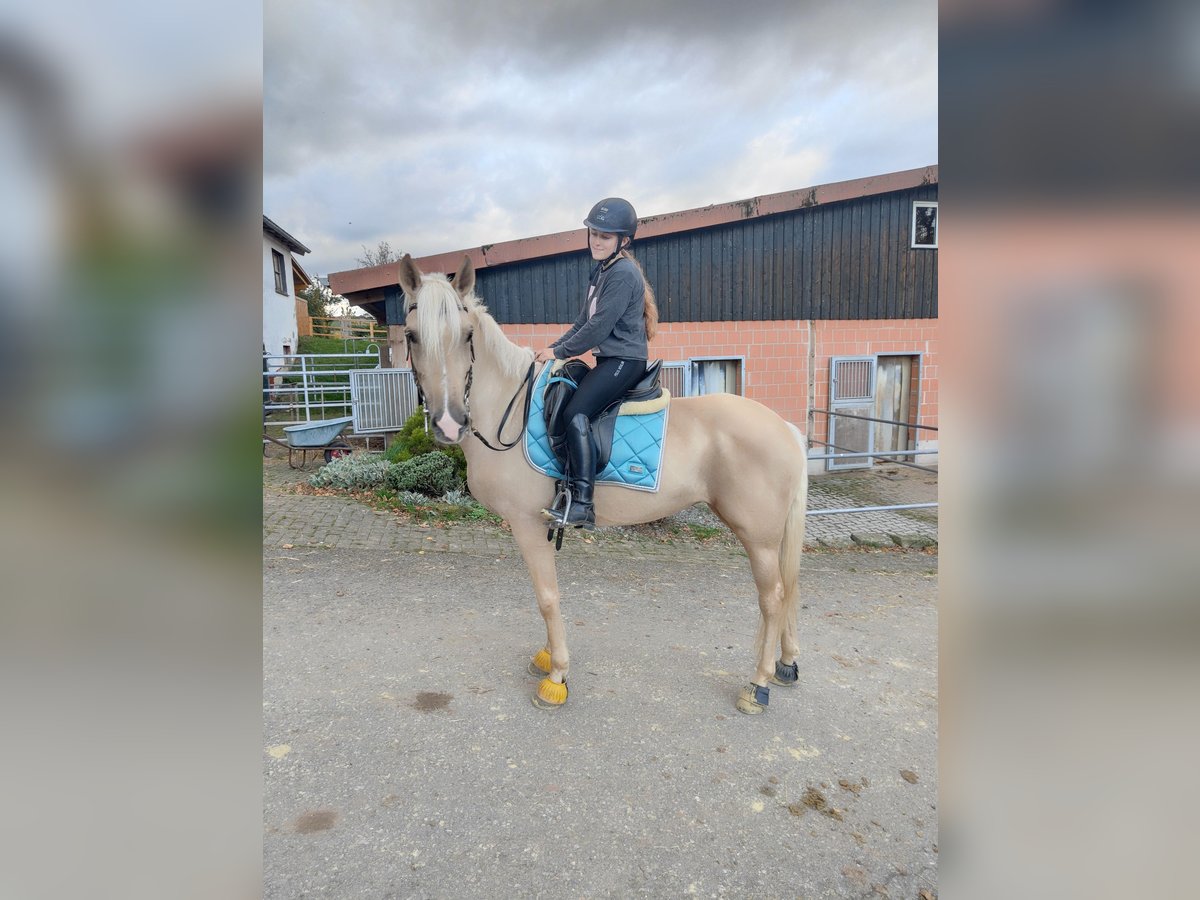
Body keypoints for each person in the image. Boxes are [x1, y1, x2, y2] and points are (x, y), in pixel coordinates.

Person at [534, 197, 659, 530]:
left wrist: (560, 353)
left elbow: (599, 327)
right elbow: (581, 322)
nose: (597, 240)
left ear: (623, 240)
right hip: (611, 358)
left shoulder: (622, 273)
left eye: (605, 235)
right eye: (593, 233)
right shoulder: (601, 271)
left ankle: (584, 505)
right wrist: (553, 348)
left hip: (624, 361)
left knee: (577, 413)